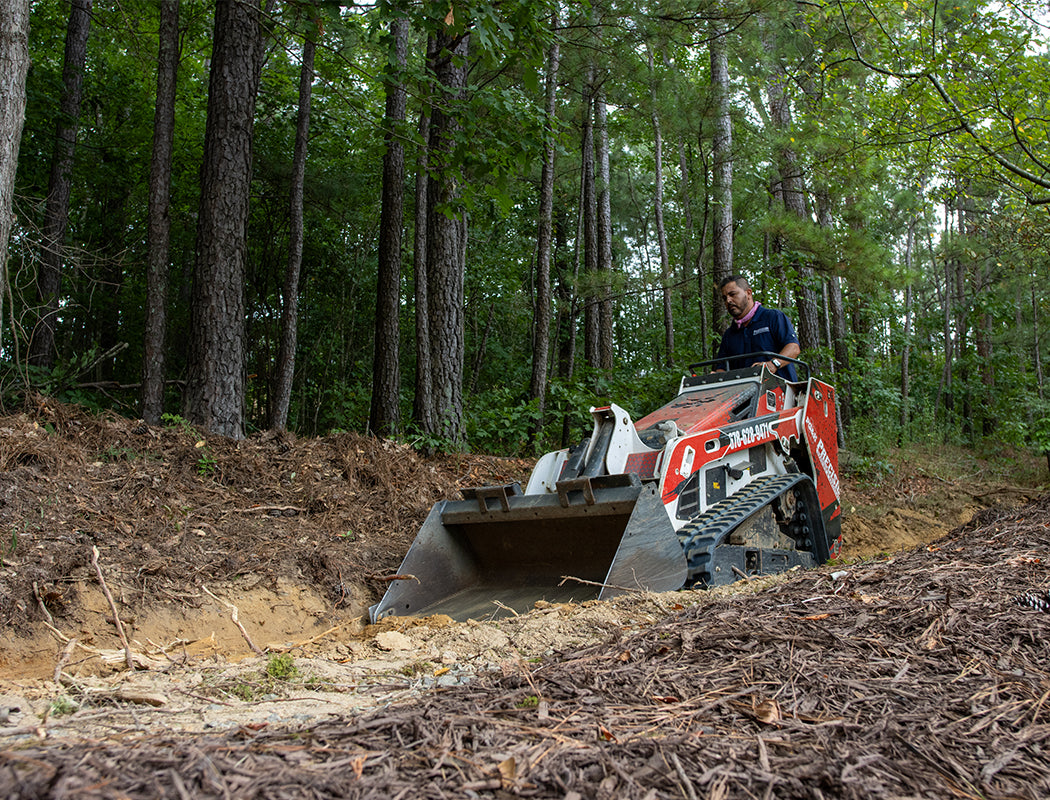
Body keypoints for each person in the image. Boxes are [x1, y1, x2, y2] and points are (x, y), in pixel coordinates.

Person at [714, 274, 801, 380]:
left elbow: (793, 348)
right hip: (744, 394)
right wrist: (715, 377)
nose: (728, 301)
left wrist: (773, 364)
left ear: (748, 293)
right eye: (724, 298)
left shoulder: (772, 317)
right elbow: (721, 368)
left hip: (782, 391)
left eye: (733, 294)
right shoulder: (729, 335)